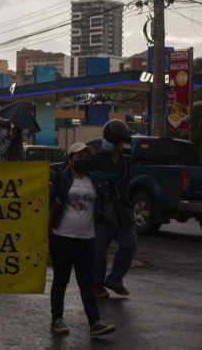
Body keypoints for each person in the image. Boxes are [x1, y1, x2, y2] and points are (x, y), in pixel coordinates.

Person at [49, 142, 116, 337]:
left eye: (87, 157)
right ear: (70, 160)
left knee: (86, 282)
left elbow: (111, 194)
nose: (83, 161)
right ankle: (57, 319)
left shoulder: (96, 180)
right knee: (61, 280)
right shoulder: (61, 179)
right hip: (62, 238)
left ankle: (95, 322)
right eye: (79, 157)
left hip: (87, 239)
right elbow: (47, 200)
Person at [91, 119, 136, 298]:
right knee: (100, 250)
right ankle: (96, 284)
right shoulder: (96, 159)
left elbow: (123, 180)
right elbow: (92, 178)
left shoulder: (126, 161)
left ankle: (115, 279)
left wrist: (108, 178)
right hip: (103, 211)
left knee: (129, 245)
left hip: (123, 211)